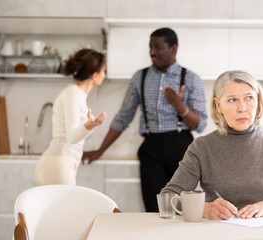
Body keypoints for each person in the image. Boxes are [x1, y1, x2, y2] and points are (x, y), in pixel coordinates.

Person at [161, 70, 263, 220]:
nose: (242, 108)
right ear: (218, 106)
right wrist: (204, 208)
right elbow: (168, 197)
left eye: (249, 98)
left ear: (258, 101)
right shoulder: (202, 147)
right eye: (232, 100)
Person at [82, 27, 207, 212]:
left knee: (184, 209)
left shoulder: (191, 79)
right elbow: (123, 117)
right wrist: (100, 151)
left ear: (173, 48)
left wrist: (179, 106)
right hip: (152, 149)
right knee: (154, 209)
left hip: (182, 149)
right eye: (150, 47)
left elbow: (200, 124)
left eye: (157, 47)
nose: (152, 52)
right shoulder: (140, 78)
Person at [35, 49, 107, 185]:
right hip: (60, 161)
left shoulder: (77, 94)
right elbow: (72, 137)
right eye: (103, 71)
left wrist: (88, 126)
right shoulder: (73, 94)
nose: (104, 75)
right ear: (95, 76)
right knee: (69, 207)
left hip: (59, 161)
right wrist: (90, 125)